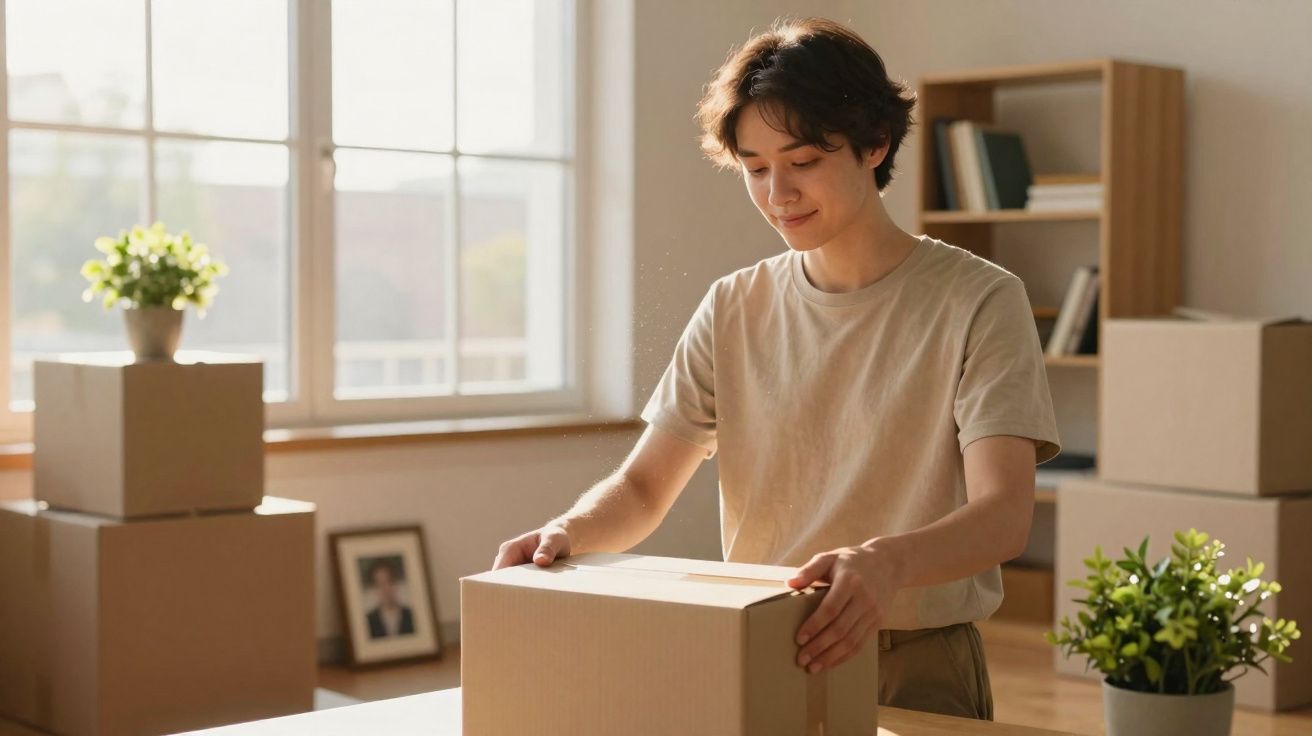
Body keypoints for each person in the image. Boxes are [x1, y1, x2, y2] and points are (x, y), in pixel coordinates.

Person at [492, 17, 1059, 720]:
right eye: (755, 169)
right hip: (761, 643)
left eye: (803, 161)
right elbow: (643, 486)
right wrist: (569, 531)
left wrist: (885, 563)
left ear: (873, 144)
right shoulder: (733, 305)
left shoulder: (980, 299)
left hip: (917, 656)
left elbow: (1004, 516)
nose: (777, 193)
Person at [365, 558, 415, 639]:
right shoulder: (368, 621)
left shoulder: (411, 616)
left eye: (388, 582)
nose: (385, 589)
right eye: (379, 584)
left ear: (395, 584)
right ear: (374, 589)